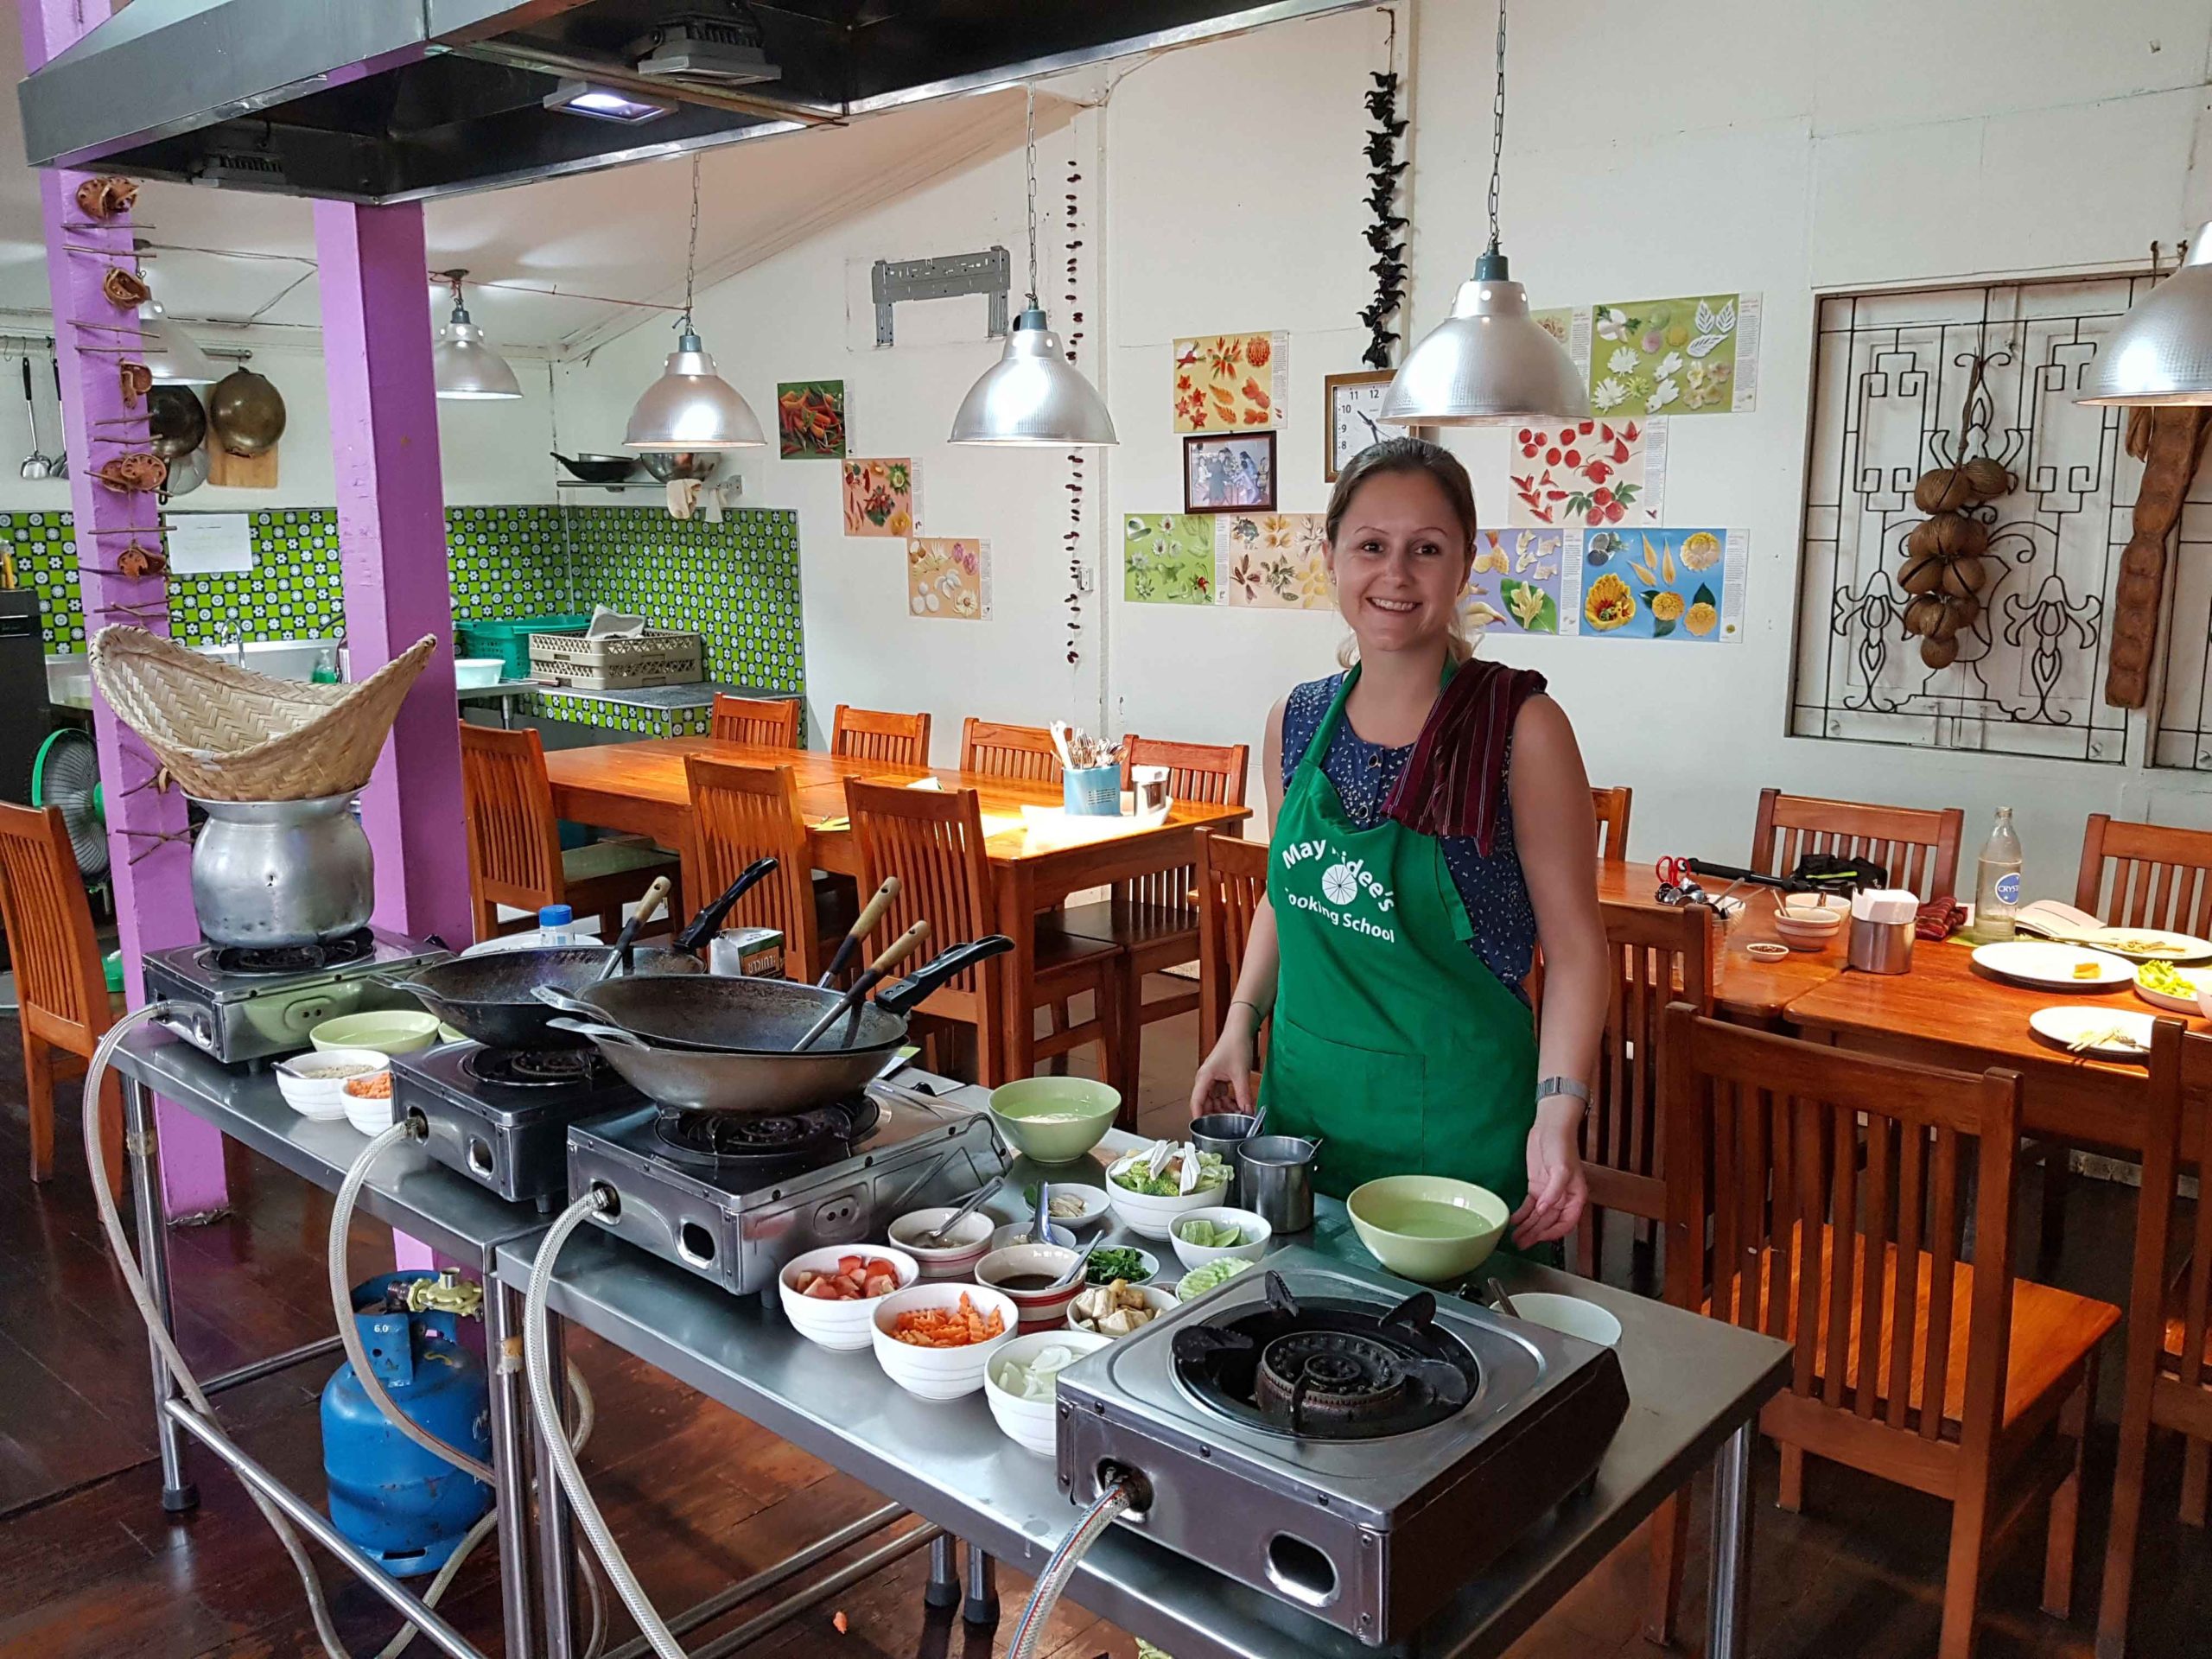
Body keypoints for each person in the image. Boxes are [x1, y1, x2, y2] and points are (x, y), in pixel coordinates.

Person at [1189, 438, 1605, 1252]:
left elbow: (1578, 951)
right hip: (1305, 1114)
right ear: (1333, 556)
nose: (1396, 575)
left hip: (1457, 1130)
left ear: (1463, 565)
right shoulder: (1298, 720)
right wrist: (1240, 1021)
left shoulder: (1518, 728)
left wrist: (1559, 1110)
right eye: (1371, 546)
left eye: (1427, 549)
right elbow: (1287, 890)